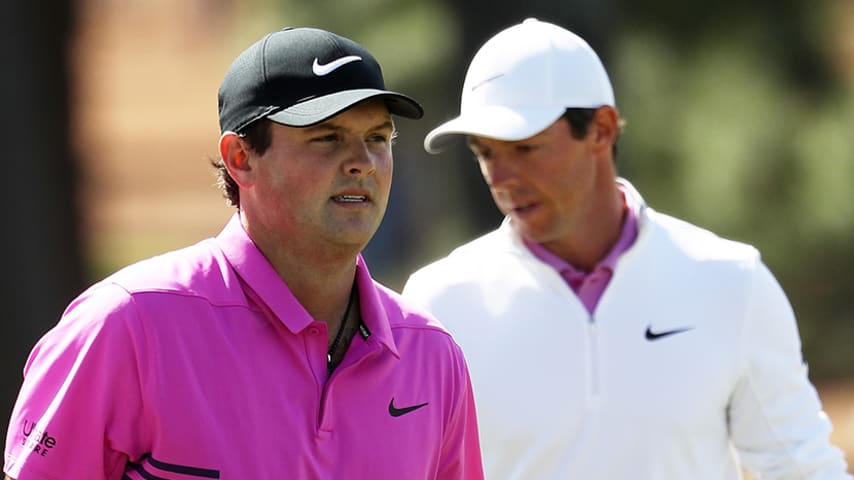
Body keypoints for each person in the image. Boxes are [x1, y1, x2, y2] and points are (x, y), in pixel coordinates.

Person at [3, 27, 483, 480]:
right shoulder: (128, 324)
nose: (361, 162)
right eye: (327, 138)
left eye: (377, 138)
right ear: (241, 158)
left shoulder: (432, 356)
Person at [402, 18, 851, 479]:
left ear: (601, 129)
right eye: (485, 152)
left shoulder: (731, 282)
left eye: (525, 148)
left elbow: (800, 467)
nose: (501, 177)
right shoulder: (438, 304)